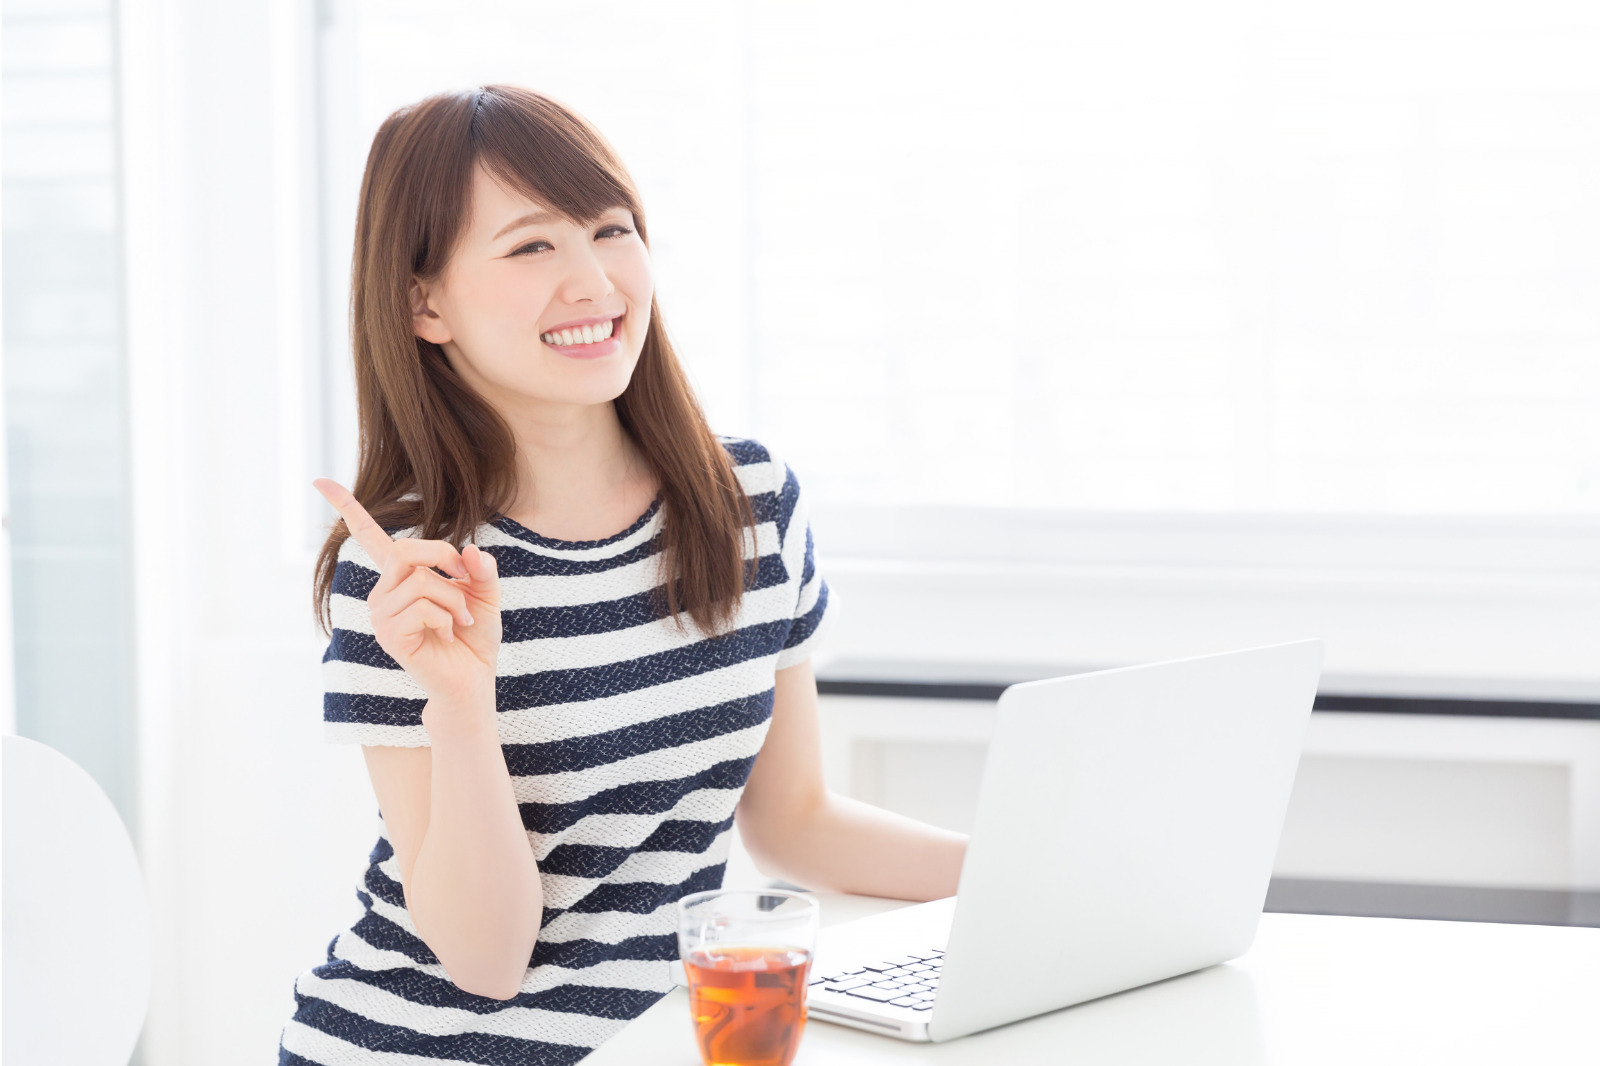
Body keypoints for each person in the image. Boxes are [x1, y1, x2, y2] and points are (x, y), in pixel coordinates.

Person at [278, 85, 967, 1066]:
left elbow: (796, 822)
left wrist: (1028, 880)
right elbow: (484, 959)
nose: (593, 279)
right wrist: (462, 708)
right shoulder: (408, 574)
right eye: (530, 246)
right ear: (424, 303)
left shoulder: (748, 503)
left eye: (611, 229)